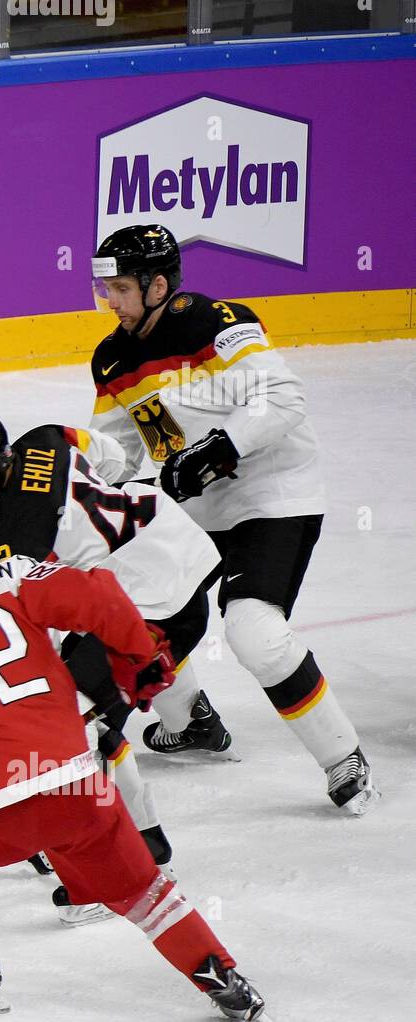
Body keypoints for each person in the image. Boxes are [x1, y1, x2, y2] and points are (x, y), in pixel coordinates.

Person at [0, 505, 268, 1022]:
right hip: (74, 788)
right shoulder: (10, 576)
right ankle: (218, 973)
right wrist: (140, 653)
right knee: (143, 891)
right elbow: (98, 594)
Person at [89, 224, 376, 814]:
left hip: (273, 493)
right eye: (104, 290)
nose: (109, 302)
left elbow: (282, 400)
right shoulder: (113, 357)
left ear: (158, 284)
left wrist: (219, 448)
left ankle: (343, 758)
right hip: (197, 504)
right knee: (133, 603)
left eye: (119, 288)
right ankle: (190, 720)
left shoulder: (216, 323)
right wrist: (71, 479)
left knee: (254, 632)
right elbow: (117, 448)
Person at [0, 404, 222, 920]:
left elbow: (23, 623)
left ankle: (130, 868)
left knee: (75, 727)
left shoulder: (16, 539)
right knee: (86, 718)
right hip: (172, 547)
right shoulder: (42, 437)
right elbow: (111, 460)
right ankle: (145, 844)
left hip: (150, 603)